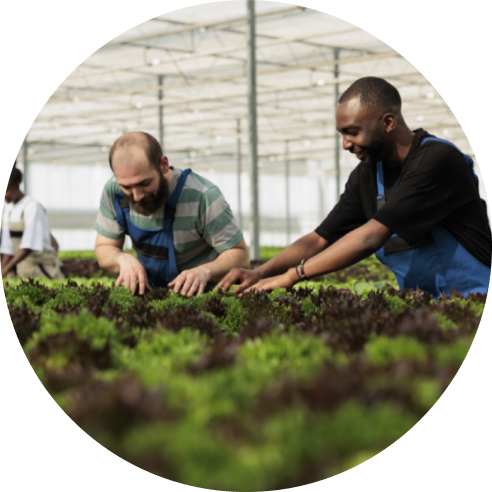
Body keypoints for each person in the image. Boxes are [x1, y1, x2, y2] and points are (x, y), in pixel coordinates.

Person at [217, 77, 492, 299]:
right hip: (419, 304)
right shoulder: (367, 175)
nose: (346, 144)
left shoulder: (436, 161)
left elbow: (369, 237)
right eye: (342, 134)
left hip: (473, 301)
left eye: (353, 132)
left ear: (388, 122)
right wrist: (261, 272)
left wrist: (293, 276)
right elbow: (318, 239)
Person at [94, 131, 249, 296]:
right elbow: (105, 247)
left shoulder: (203, 196)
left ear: (163, 165)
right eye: (126, 187)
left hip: (203, 295)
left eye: (144, 183)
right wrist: (122, 259)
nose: (137, 196)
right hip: (150, 294)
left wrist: (205, 271)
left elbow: (241, 255)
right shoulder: (113, 192)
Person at [1, 165, 65, 279]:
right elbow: (8, 248)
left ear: (16, 185)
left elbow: (28, 245)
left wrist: (6, 268)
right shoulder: (8, 211)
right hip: (23, 268)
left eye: (7, 191)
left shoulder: (32, 206)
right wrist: (2, 267)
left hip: (42, 267)